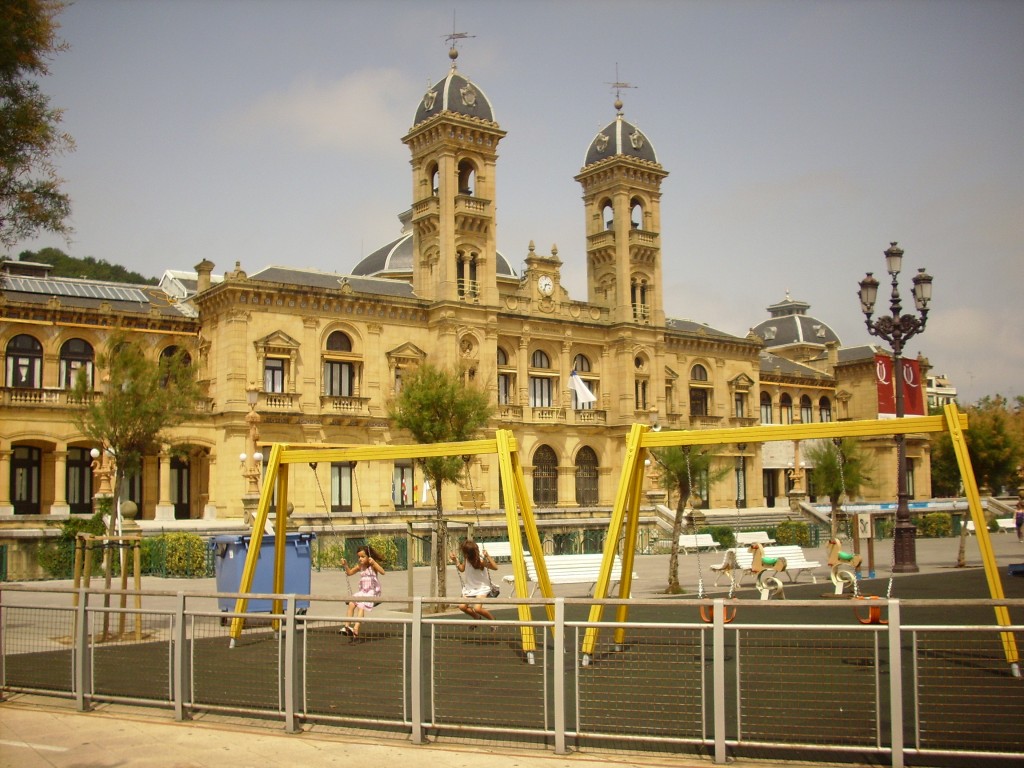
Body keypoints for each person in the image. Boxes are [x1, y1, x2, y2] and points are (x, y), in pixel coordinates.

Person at [339, 545, 384, 640]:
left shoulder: (372, 566)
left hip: (372, 592)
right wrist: (345, 565)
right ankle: (347, 627)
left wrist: (374, 563)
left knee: (361, 606)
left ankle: (356, 628)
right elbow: (349, 573)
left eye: (363, 556)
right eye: (359, 557)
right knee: (351, 603)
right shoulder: (360, 566)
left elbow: (383, 572)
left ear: (369, 557)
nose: (360, 559)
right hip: (363, 592)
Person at [449, 539, 498, 622]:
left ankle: (493, 620)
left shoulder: (480, 561)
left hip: (481, 588)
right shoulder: (467, 559)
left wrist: (488, 556)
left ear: (467, 553)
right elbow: (461, 569)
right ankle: (476, 617)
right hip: (470, 588)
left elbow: (495, 567)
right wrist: (455, 560)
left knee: (477, 608)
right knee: (462, 607)